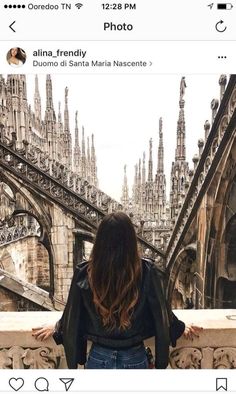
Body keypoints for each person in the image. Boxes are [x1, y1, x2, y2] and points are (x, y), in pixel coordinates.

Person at [32, 212, 202, 369]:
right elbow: (161, 313)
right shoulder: (146, 270)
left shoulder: (85, 272)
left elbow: (73, 314)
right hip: (134, 357)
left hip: (99, 357)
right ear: (130, 240)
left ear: (99, 241)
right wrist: (177, 327)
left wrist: (58, 327)